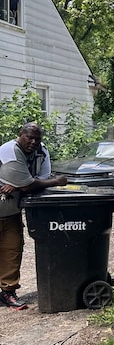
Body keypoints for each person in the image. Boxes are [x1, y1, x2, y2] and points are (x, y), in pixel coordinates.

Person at [0, 122, 68, 309]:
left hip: (10, 212)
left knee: (12, 251)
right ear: (20, 135)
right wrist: (55, 181)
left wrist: (22, 183)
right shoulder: (10, 152)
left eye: (37, 138)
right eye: (29, 137)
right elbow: (30, 186)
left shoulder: (41, 151)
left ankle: (8, 292)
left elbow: (38, 181)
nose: (33, 141)